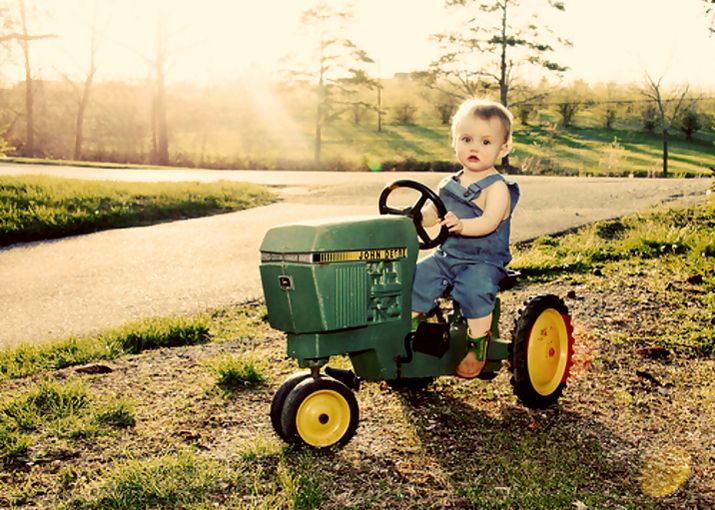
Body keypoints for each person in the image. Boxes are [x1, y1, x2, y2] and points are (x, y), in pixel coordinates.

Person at [411, 97, 520, 379]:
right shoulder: (449, 185)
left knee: (475, 289)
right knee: (415, 277)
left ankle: (478, 345)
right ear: (454, 142)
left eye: (486, 142)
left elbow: (489, 222)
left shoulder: (497, 188)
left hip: (483, 261)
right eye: (467, 138)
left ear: (503, 147)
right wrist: (414, 218)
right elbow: (431, 212)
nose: (474, 147)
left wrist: (461, 225)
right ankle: (411, 329)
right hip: (448, 256)